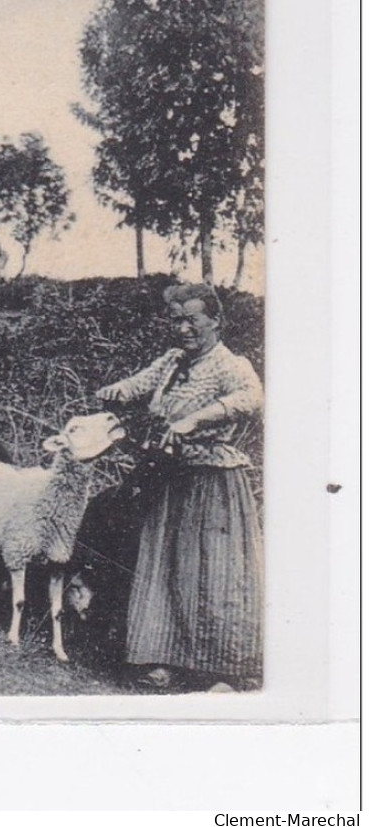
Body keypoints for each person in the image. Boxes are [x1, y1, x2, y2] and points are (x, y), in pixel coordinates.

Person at [95, 282, 264, 692]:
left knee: (211, 571)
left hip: (212, 480)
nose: (183, 328)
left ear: (215, 321)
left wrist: (196, 419)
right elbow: (136, 386)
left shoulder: (230, 364)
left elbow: (252, 397)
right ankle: (165, 660)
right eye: (177, 320)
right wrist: (110, 393)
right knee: (165, 568)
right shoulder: (171, 361)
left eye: (192, 319)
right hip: (169, 477)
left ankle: (224, 669)